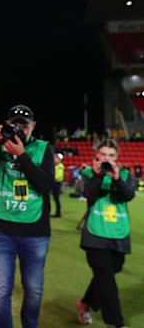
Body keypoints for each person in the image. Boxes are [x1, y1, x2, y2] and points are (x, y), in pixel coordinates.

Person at [0, 104, 55, 328]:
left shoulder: (43, 148)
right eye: (14, 126)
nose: (18, 130)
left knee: (34, 291)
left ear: (33, 127)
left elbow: (47, 184)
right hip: (0, 230)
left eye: (24, 126)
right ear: (7, 125)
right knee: (1, 290)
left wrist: (22, 156)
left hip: (34, 232)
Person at [76, 139, 135, 328]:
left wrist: (116, 178)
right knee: (106, 278)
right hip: (95, 234)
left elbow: (128, 195)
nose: (107, 158)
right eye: (103, 155)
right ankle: (117, 322)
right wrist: (98, 175)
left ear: (116, 157)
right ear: (97, 156)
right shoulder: (88, 173)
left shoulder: (125, 174)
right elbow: (90, 194)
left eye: (111, 155)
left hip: (118, 232)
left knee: (111, 271)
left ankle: (85, 303)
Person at [51, 152, 65, 217]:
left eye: (56, 158)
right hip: (53, 183)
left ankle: (58, 213)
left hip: (57, 184)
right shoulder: (54, 166)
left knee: (56, 199)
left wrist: (51, 177)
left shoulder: (60, 166)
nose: (54, 159)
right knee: (55, 198)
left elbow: (59, 176)